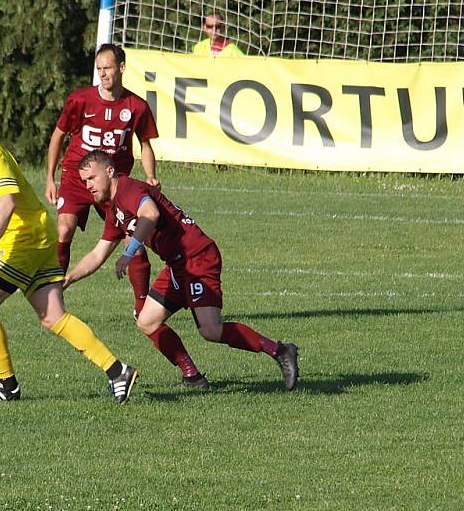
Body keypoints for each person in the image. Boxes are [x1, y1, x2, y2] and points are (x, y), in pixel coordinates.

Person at [0, 94, 138, 404]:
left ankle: (6, 385)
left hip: (22, 240)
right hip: (39, 236)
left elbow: (8, 201)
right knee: (53, 317)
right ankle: (117, 370)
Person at [65, 150, 299, 391]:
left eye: (92, 178)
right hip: (178, 265)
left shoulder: (128, 189)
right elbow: (97, 254)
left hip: (198, 258)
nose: (88, 185)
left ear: (110, 171)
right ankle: (193, 376)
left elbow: (151, 213)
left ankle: (280, 350)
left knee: (210, 329)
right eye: (85, 181)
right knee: (147, 321)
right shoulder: (114, 211)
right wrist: (67, 278)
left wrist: (129, 250)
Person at [46, 43, 159, 321]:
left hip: (113, 182)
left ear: (121, 67)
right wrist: (49, 176)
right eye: (99, 69)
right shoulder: (80, 100)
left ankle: (141, 305)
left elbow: (144, 144)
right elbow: (58, 135)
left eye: (107, 68)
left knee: (133, 238)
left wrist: (150, 175)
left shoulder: (136, 106)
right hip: (76, 176)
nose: (103, 74)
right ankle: (55, 299)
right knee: (63, 229)